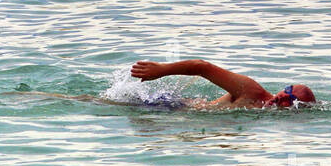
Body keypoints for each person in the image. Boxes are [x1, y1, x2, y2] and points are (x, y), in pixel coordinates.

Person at [131, 59, 315, 109]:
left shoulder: (260, 116)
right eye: (288, 90)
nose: (284, 95)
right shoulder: (252, 91)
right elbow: (201, 67)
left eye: (291, 98)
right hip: (165, 106)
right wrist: (162, 70)